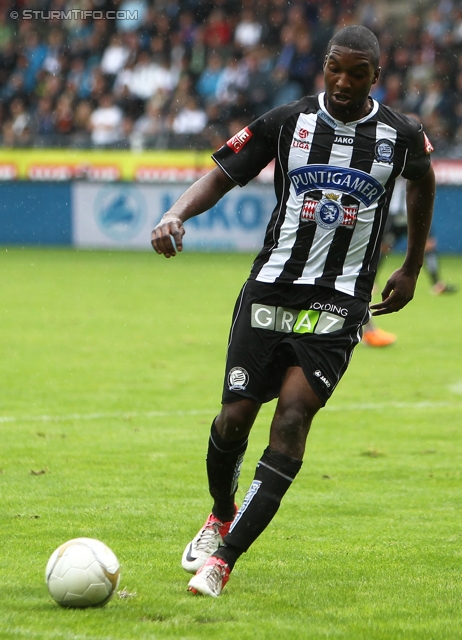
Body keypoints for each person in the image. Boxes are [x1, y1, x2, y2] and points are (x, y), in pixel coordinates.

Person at [151, 25, 435, 598]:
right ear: (323, 66)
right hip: (269, 291)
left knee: (292, 418)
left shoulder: (401, 134)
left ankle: (224, 561)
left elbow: (422, 183)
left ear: (375, 77)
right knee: (234, 420)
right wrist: (176, 213)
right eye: (335, 68)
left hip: (338, 300)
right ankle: (219, 515)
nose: (343, 82)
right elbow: (224, 174)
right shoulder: (287, 122)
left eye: (357, 73)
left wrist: (410, 266)